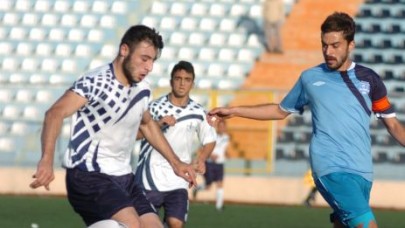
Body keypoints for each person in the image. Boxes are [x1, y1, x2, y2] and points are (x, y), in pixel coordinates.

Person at [207, 12, 405, 228]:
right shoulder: (310, 78)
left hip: (362, 171)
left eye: (335, 45)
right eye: (324, 45)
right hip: (330, 167)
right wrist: (235, 110)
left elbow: (393, 124)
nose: (328, 51)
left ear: (351, 45)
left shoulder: (370, 79)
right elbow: (280, 110)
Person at [29, 25, 197, 228]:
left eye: (152, 60)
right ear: (124, 51)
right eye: (144, 59)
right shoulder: (95, 82)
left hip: (124, 177)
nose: (149, 67)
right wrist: (46, 160)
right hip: (88, 175)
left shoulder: (142, 89)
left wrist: (176, 163)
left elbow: (147, 125)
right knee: (131, 225)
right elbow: (54, 113)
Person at [134, 60, 217, 228]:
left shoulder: (199, 112)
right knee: (146, 225)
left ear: (192, 83)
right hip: (150, 178)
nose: (182, 83)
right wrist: (159, 124)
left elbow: (209, 140)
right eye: (178, 78)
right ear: (171, 81)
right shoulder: (154, 107)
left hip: (179, 178)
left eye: (187, 79)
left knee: (176, 223)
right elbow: (134, 135)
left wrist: (202, 158)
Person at [193, 119, 229, 211]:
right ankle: (197, 188)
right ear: (218, 127)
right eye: (220, 126)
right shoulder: (212, 136)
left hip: (220, 164)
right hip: (209, 164)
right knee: (208, 186)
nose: (222, 128)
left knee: (220, 184)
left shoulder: (226, 137)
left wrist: (226, 154)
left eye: (223, 126)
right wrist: (210, 155)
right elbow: (203, 148)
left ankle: (219, 206)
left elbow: (223, 149)